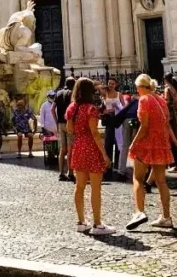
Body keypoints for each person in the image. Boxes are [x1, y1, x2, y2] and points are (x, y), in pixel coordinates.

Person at [126, 74, 177, 231]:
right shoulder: (161, 100)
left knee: (138, 178)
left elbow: (144, 127)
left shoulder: (144, 100)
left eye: (137, 87)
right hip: (161, 143)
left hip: (147, 142)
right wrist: (173, 142)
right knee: (161, 181)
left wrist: (133, 143)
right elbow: (166, 124)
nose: (137, 90)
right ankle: (166, 217)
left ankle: (139, 212)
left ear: (142, 87)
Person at [65, 78, 114, 236]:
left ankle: (81, 222)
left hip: (79, 147)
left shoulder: (72, 108)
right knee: (95, 188)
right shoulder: (91, 109)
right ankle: (97, 224)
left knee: (79, 186)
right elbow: (94, 132)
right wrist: (104, 154)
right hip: (91, 148)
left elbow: (69, 129)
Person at [162, 74, 177, 180]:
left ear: (164, 79)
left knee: (174, 142)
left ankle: (176, 162)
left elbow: (166, 102)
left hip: (172, 118)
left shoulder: (167, 89)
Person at [53, 77, 76, 182]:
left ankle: (61, 173)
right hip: (69, 123)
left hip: (60, 123)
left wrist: (56, 121)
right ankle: (70, 172)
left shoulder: (58, 93)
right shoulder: (72, 93)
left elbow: (52, 109)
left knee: (62, 149)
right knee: (70, 149)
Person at [99, 79, 123, 179]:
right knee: (108, 145)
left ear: (116, 84)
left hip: (117, 120)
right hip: (109, 120)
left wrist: (117, 107)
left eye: (113, 84)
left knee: (118, 145)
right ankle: (107, 168)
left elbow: (123, 107)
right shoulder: (105, 94)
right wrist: (106, 111)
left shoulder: (119, 94)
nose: (111, 85)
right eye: (109, 83)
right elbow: (101, 108)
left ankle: (117, 168)